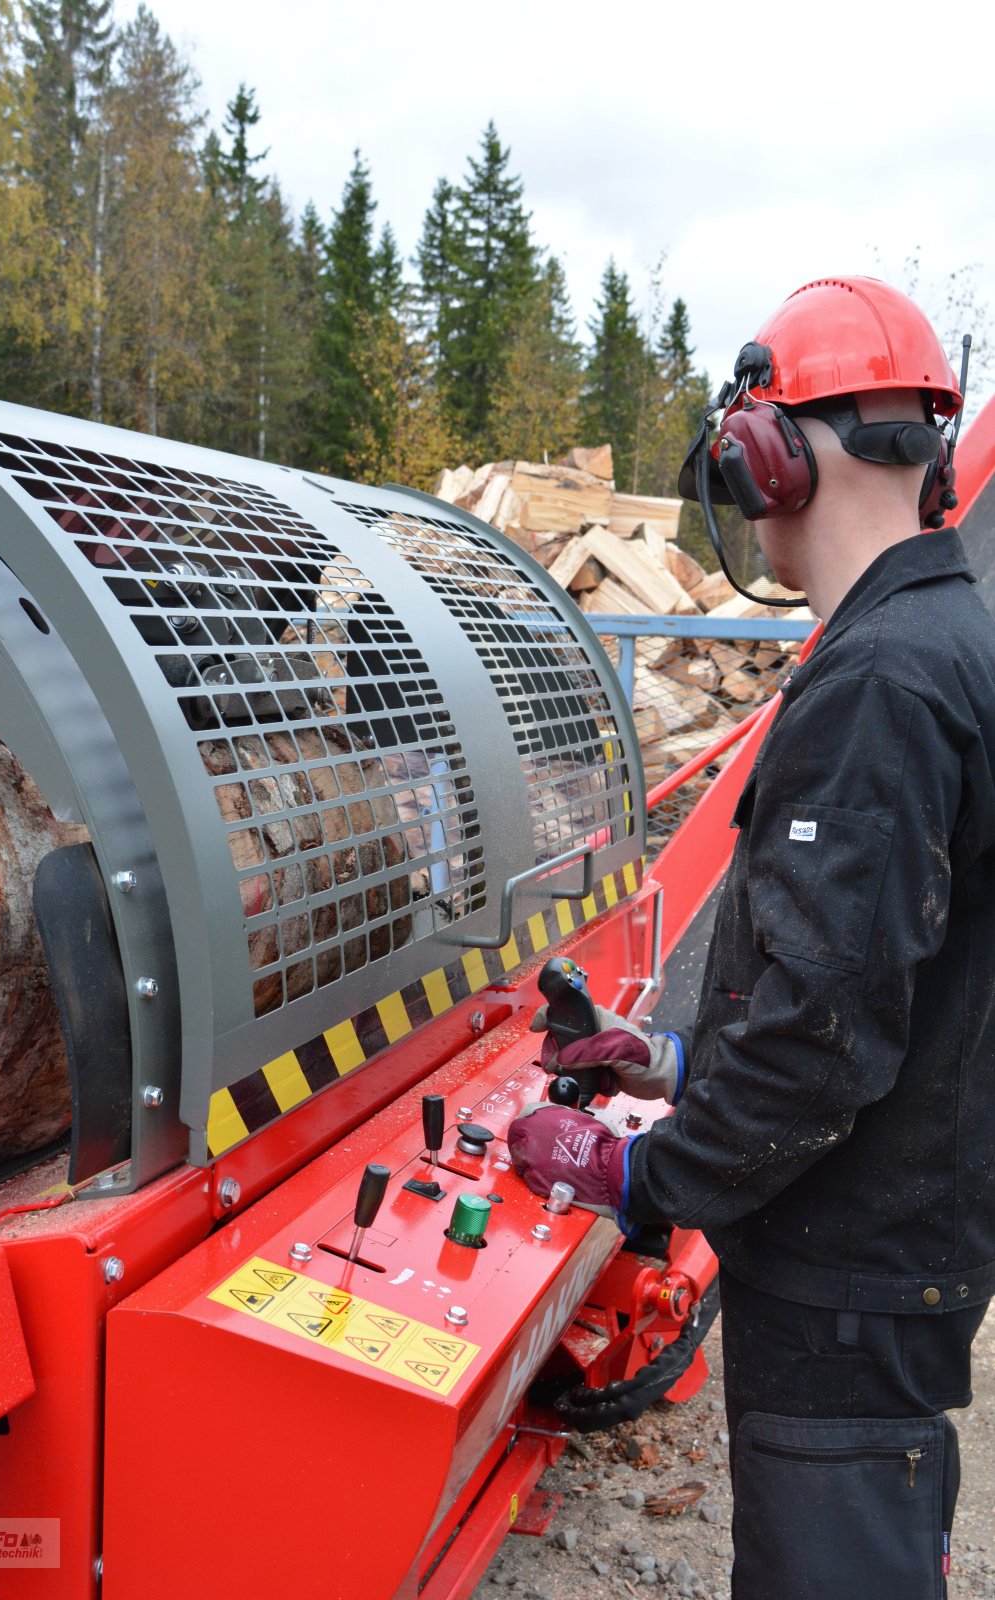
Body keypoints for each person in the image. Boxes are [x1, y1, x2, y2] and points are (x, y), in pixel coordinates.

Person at [507, 277, 995, 1599]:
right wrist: (668, 1055)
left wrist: (640, 1184)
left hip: (851, 1275)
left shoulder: (885, 683)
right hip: (889, 1253)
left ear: (785, 452)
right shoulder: (934, 643)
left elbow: (827, 1034)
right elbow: (878, 977)